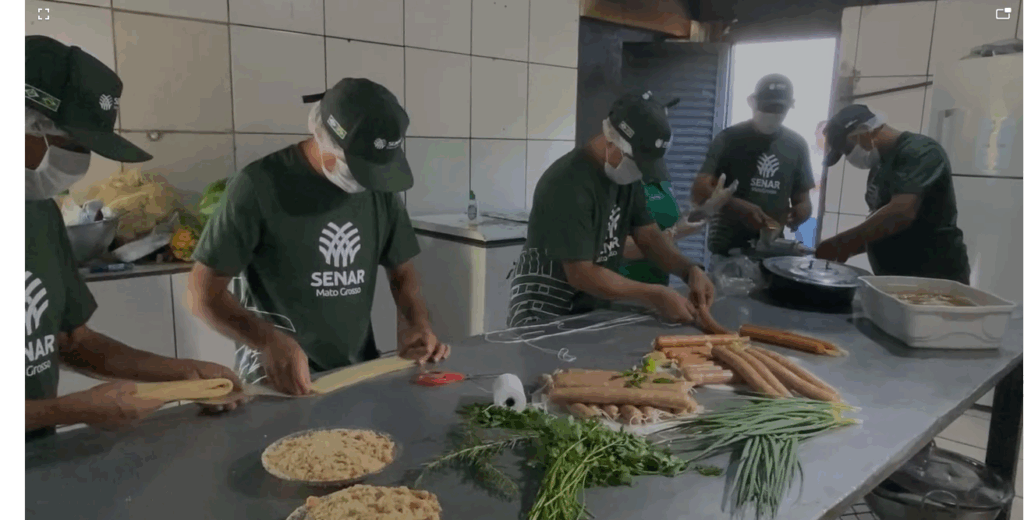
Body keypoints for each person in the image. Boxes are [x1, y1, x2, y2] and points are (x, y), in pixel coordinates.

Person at [25, 36, 244, 442]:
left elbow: (72, 341)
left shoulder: (38, 211)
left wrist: (184, 372)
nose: (77, 161)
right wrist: (71, 409)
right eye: (71, 144)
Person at [188, 78, 450, 397]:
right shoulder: (257, 186)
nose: (363, 182)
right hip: (276, 378)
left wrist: (417, 324)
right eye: (356, 168)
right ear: (322, 137)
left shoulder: (378, 190)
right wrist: (267, 341)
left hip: (354, 372)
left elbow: (403, 273)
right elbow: (203, 293)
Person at [506, 91, 716, 328]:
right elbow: (581, 273)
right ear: (612, 141)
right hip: (544, 310)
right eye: (636, 163)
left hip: (588, 307)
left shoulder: (627, 177)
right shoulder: (567, 183)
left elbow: (648, 236)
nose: (640, 172)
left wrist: (689, 270)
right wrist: (654, 295)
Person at [814, 104, 971, 283]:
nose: (850, 158)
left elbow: (900, 213)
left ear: (864, 131)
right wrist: (848, 248)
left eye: (847, 150)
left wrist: (841, 242)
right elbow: (882, 227)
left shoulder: (921, 151)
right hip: (897, 277)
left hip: (932, 277)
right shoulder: (879, 167)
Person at [691, 74, 815, 257]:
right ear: (752, 102)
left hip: (772, 250)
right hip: (729, 250)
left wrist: (800, 213)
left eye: (779, 109)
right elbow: (699, 191)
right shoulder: (729, 139)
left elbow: (803, 199)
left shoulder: (796, 145)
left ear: (791, 105)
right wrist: (735, 205)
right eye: (767, 107)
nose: (772, 114)